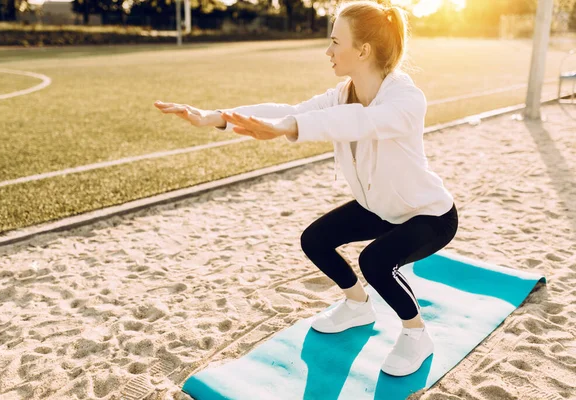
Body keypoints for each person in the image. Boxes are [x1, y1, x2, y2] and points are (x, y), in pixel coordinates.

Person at [154, 0, 458, 378]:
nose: (327, 51)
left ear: (362, 50)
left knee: (376, 262)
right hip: (379, 207)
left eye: (334, 42)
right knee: (315, 239)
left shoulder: (406, 99)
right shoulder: (343, 93)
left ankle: (416, 334)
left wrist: (289, 128)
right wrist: (216, 118)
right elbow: (290, 108)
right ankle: (357, 305)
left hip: (428, 215)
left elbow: (359, 122)